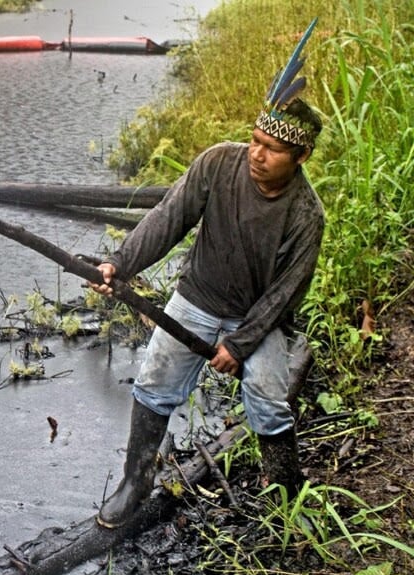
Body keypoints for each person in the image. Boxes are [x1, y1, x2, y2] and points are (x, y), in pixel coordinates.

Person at [88, 22, 324, 529]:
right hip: (198, 300)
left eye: (272, 149)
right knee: (154, 384)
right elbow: (167, 220)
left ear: (301, 156)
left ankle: (285, 495)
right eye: (255, 140)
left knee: (268, 399)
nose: (257, 154)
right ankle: (136, 480)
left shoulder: (307, 215)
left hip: (258, 320)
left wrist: (239, 346)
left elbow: (283, 295)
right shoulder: (218, 164)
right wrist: (119, 263)